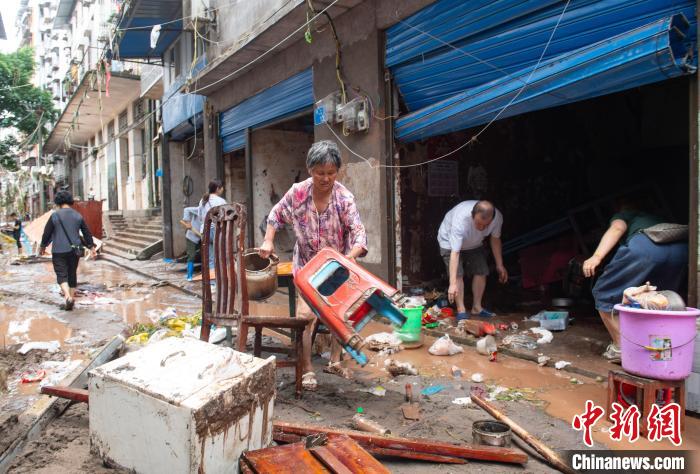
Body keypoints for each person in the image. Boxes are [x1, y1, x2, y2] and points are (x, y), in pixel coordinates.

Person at [259, 140, 367, 391]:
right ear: (310, 170)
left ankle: (335, 361)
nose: (326, 178)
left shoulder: (344, 198)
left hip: (335, 267)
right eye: (320, 172)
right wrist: (268, 240)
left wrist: (351, 256)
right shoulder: (297, 192)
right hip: (306, 265)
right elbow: (275, 215)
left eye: (331, 173)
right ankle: (307, 367)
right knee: (305, 317)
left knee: (337, 315)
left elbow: (358, 231)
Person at [582, 203, 687, 362]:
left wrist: (596, 257)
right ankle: (659, 354)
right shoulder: (658, 218)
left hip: (646, 248)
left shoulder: (627, 214)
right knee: (662, 302)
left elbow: (617, 228)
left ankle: (620, 348)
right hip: (681, 252)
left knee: (604, 294)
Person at [438, 200, 508, 321]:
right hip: (449, 243)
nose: (481, 228)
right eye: (478, 223)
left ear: (491, 218)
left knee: (481, 271)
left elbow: (495, 239)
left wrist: (499, 264)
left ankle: (477, 307)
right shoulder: (460, 219)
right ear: (472, 215)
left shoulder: (497, 218)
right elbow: (455, 252)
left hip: (474, 243)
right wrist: (452, 283)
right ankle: (461, 310)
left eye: (485, 225)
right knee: (457, 275)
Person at [39, 191, 96, 310]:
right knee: (72, 274)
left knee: (61, 274)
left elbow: (47, 233)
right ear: (70, 201)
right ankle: (71, 298)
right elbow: (86, 232)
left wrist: (43, 246)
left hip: (59, 250)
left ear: (58, 202)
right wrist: (91, 247)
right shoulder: (77, 215)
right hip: (75, 251)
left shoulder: (55, 215)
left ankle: (67, 297)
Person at [198, 179, 227, 269]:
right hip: (216, 231)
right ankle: (220, 282)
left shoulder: (203, 200)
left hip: (205, 231)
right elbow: (225, 218)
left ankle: (213, 282)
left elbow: (200, 216)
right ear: (218, 188)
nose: (223, 189)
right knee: (220, 257)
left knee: (211, 259)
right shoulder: (221, 201)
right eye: (222, 188)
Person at [180, 206, 202, 281]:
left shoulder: (213, 213)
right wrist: (187, 222)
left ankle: (207, 274)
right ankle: (189, 276)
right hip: (192, 236)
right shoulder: (199, 209)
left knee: (207, 256)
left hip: (203, 237)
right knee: (191, 256)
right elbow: (186, 209)